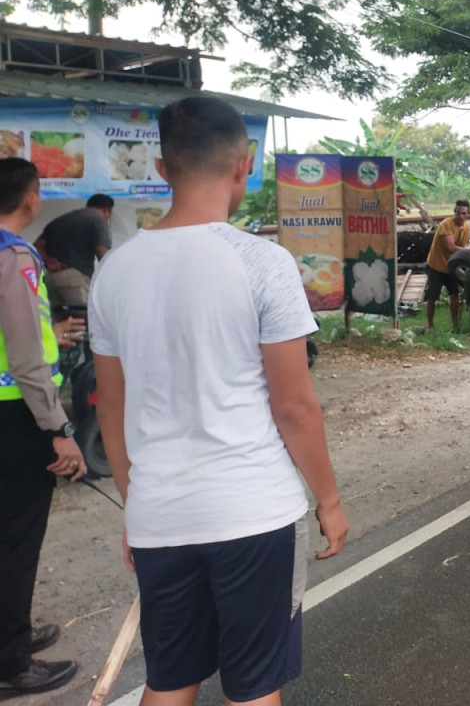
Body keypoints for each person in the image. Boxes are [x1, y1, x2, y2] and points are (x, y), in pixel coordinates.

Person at [90, 97, 348, 706]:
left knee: (170, 681)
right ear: (245, 163)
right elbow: (294, 406)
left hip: (159, 514)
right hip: (252, 513)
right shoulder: (263, 263)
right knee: (254, 688)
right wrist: (330, 500)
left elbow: (110, 405)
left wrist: (138, 505)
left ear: (161, 164)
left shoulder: (115, 270)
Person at [0, 158, 82, 697]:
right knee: (15, 539)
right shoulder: (14, 254)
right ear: (31, 199)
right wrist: (57, 426)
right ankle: (10, 662)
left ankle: (15, 633)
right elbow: (28, 360)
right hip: (16, 416)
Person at [36, 193, 113, 309]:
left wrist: (48, 260)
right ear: (106, 210)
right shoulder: (98, 220)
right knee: (83, 318)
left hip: (50, 278)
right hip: (75, 278)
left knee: (59, 321)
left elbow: (37, 245)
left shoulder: (61, 220)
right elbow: (102, 252)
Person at [425, 199, 470, 332]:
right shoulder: (446, 224)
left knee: (454, 294)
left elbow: (462, 247)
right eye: (458, 213)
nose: (460, 216)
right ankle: (430, 325)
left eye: (463, 213)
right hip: (436, 265)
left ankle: (455, 325)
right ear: (454, 213)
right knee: (432, 296)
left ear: (468, 214)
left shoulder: (466, 228)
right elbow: (450, 247)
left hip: (451, 267)